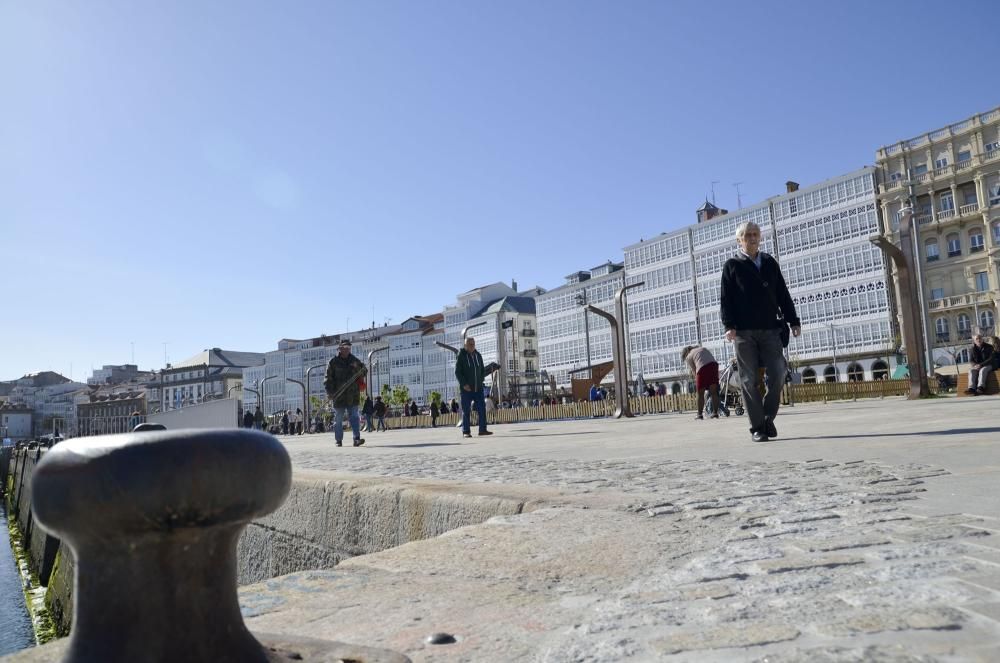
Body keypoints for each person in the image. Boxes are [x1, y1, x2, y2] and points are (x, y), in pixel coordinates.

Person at [721, 221, 801, 442]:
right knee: (748, 380)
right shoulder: (732, 265)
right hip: (743, 333)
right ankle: (757, 427)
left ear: (760, 237)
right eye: (747, 235)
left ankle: (767, 417)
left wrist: (793, 321)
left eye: (755, 234)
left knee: (778, 372)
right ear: (740, 240)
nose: (752, 238)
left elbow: (783, 294)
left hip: (770, 329)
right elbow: (725, 299)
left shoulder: (769, 263)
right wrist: (729, 326)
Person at [323, 339, 367, 447]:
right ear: (340, 348)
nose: (347, 350)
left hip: (353, 395)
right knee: (338, 418)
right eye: (345, 348)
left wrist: (358, 368)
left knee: (355, 417)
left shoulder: (354, 360)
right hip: (339, 396)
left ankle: (356, 439)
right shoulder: (333, 362)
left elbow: (364, 371)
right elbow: (328, 378)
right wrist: (330, 392)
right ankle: (338, 440)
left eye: (348, 348)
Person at [455, 337, 497, 438]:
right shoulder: (461, 356)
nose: (472, 346)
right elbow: (458, 372)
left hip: (478, 388)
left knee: (482, 408)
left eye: (473, 344)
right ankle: (466, 431)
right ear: (465, 345)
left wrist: (480, 380)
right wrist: (464, 384)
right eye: (469, 344)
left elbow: (482, 369)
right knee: (466, 410)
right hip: (466, 389)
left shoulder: (478, 355)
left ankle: (482, 430)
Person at [682, 345, 721, 420]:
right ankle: (715, 413)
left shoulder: (689, 356)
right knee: (714, 392)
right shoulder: (703, 348)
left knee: (700, 393)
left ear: (686, 353)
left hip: (702, 368)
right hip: (714, 366)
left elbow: (694, 371)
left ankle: (699, 415)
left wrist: (696, 381)